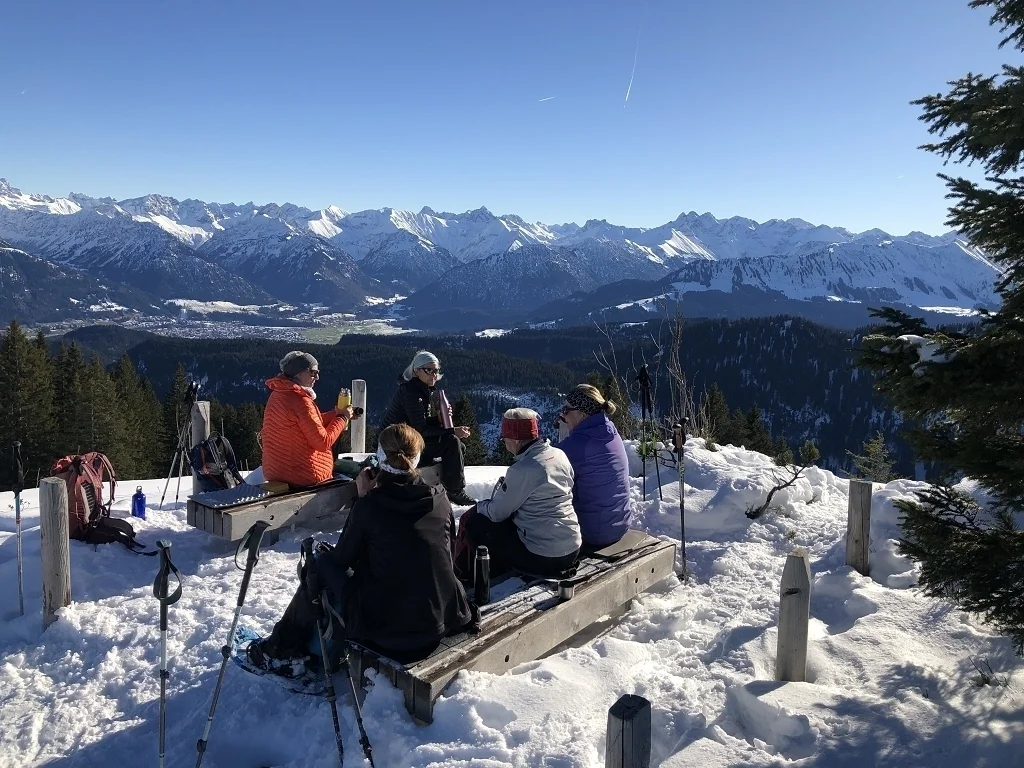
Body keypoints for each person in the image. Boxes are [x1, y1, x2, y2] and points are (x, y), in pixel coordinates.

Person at [248, 424, 475, 670]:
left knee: (322, 563)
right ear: (417, 458)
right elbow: (446, 552)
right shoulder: (439, 498)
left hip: (389, 631)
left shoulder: (370, 506)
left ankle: (279, 648)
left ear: (379, 458)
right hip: (443, 619)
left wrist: (362, 497)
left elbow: (341, 560)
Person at [463, 408, 581, 578]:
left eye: (505, 439)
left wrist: (479, 507)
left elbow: (497, 513)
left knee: (477, 525)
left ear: (515, 440)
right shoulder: (559, 455)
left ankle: (489, 579)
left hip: (544, 555)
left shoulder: (522, 469)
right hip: (572, 545)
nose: (504, 443)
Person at [380, 350, 475, 506]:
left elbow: (417, 423)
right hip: (396, 447)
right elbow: (421, 429)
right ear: (416, 371)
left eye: (436, 371)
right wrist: (452, 430)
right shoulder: (412, 392)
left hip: (401, 441)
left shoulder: (417, 389)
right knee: (452, 442)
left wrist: (438, 420)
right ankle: (455, 491)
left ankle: (449, 486)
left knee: (457, 445)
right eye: (428, 370)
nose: (433, 374)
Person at [261, 351, 354, 487]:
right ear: (298, 373)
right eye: (313, 372)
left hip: (276, 472)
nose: (317, 377)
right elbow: (323, 442)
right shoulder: (300, 400)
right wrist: (342, 417)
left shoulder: (278, 394)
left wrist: (336, 414)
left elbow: (308, 424)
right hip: (302, 475)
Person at [557, 384, 633, 549]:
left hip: (595, 533)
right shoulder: (609, 429)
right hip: (620, 524)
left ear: (582, 413)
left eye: (566, 410)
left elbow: (543, 467)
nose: (563, 416)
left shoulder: (578, 444)